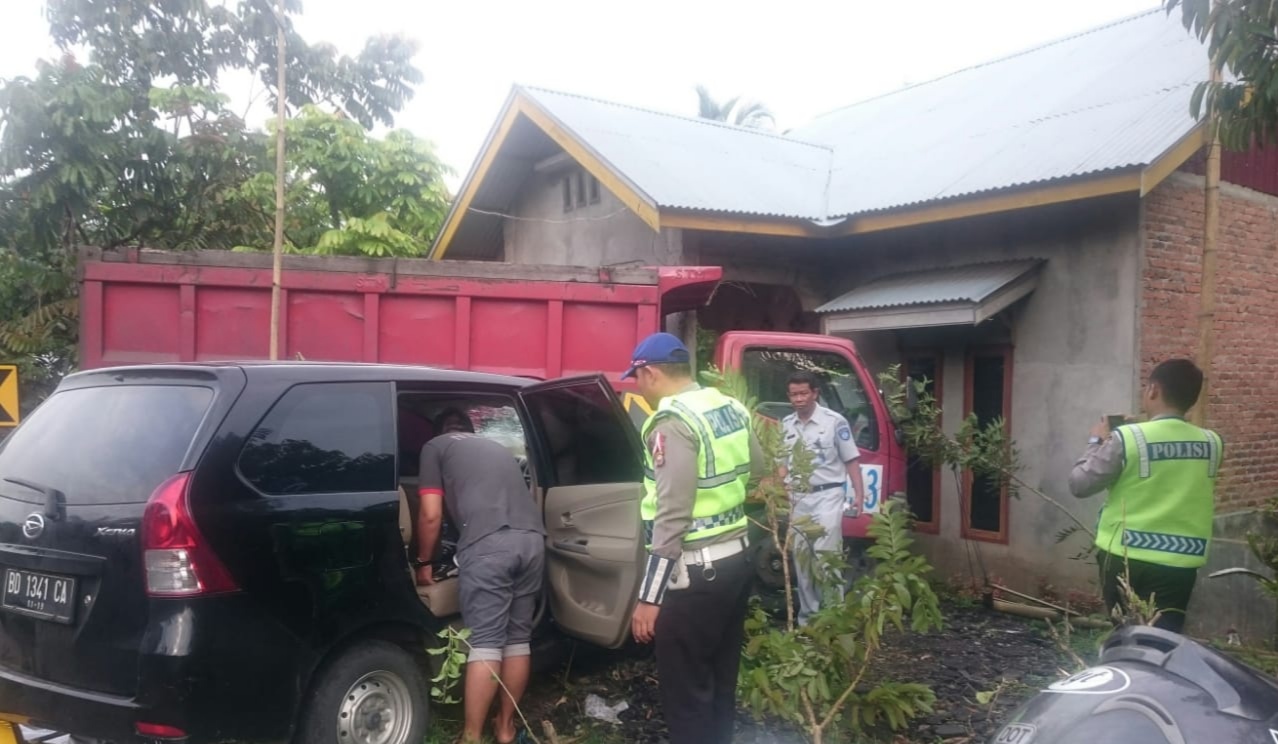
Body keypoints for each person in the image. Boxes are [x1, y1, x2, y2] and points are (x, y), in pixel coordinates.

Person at [623, 332, 765, 744]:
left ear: (648, 372)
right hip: (736, 563)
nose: (637, 387)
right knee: (720, 682)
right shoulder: (728, 406)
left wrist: (649, 598)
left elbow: (672, 514)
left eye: (636, 377)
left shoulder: (671, 421)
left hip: (695, 574)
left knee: (686, 694)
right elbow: (756, 465)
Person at [415, 409, 545, 744]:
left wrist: (424, 562)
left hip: (488, 546)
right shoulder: (496, 449)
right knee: (517, 640)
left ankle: (470, 737)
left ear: (437, 432)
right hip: (532, 542)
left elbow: (430, 515)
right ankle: (505, 729)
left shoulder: (434, 447)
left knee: (486, 642)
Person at [1068, 359, 1223, 634]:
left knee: (1125, 636)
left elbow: (1080, 484)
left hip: (1126, 557)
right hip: (1180, 562)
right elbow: (1173, 450)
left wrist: (1096, 442)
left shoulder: (1127, 439)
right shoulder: (1213, 442)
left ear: (1153, 390)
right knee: (1163, 640)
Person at [779, 372, 865, 625]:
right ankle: (808, 621)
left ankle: (834, 619)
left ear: (815, 393)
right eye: (794, 394)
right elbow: (781, 464)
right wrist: (782, 490)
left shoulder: (834, 422)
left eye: (804, 393)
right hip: (799, 500)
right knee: (802, 561)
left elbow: (851, 459)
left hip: (828, 495)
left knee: (826, 558)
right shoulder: (785, 425)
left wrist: (859, 495)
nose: (799, 399)